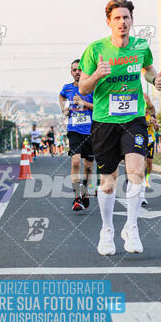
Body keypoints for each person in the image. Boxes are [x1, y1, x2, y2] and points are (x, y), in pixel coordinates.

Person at [79, 0, 161, 255]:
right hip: (105, 121)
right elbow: (83, 88)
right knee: (108, 182)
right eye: (117, 18)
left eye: (126, 17)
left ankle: (132, 227)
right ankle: (107, 230)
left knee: (137, 171)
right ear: (109, 22)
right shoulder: (95, 50)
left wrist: (155, 81)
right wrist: (96, 75)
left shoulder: (140, 47)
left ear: (132, 21)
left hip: (133, 118)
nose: (122, 22)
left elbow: (148, 70)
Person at [59, 59, 94, 212]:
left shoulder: (92, 88)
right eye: (74, 70)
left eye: (80, 69)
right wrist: (64, 109)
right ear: (71, 72)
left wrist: (83, 103)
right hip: (74, 130)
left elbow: (99, 107)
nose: (77, 72)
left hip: (91, 130)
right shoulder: (67, 88)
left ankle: (85, 190)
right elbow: (61, 97)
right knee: (75, 162)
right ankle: (77, 197)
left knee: (88, 166)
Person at [141, 92, 158, 206]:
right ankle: (142, 183)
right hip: (141, 140)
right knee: (141, 163)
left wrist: (155, 125)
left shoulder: (152, 115)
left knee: (149, 163)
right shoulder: (139, 113)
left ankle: (147, 178)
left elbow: (156, 127)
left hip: (150, 141)